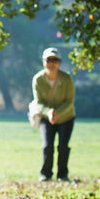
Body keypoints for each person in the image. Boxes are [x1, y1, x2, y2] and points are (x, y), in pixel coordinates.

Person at [31, 47, 75, 182]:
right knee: (47, 146)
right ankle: (46, 174)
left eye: (55, 60)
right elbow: (39, 101)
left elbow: (69, 101)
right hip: (46, 117)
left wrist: (57, 113)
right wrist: (49, 112)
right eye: (49, 60)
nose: (52, 63)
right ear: (44, 61)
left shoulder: (67, 79)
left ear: (59, 62)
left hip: (66, 117)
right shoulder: (38, 79)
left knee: (63, 146)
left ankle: (62, 174)